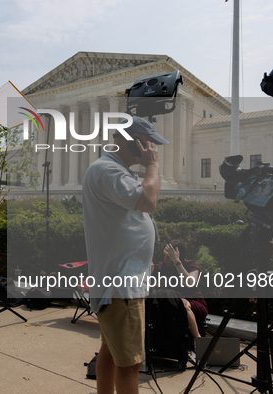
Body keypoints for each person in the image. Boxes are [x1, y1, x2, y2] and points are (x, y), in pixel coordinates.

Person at [82, 116, 167, 394]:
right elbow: (147, 201)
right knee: (130, 364)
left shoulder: (112, 169)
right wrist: (153, 166)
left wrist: (143, 259)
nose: (153, 148)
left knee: (109, 350)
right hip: (122, 284)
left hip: (119, 279)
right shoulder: (108, 170)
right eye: (150, 143)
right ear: (135, 141)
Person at [152, 239, 208, 339]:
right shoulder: (162, 266)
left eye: (169, 257)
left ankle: (197, 339)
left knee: (182, 303)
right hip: (174, 303)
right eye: (164, 256)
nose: (166, 260)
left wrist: (177, 262)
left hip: (194, 303)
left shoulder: (191, 265)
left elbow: (190, 283)